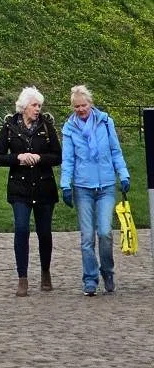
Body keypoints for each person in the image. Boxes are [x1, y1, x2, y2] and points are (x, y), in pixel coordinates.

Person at [60, 84, 130, 296]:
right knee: (87, 237)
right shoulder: (69, 129)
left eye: (84, 105)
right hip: (83, 187)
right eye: (77, 107)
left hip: (106, 185)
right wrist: (65, 184)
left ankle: (107, 271)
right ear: (73, 107)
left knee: (105, 232)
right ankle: (90, 278)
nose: (81, 109)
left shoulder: (106, 122)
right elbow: (68, 160)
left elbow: (115, 151)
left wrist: (124, 174)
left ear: (91, 104)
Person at [0, 85, 61, 295]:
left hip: (44, 186)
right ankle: (22, 277)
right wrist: (18, 158)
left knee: (44, 232)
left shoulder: (47, 127)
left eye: (39, 105)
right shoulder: (9, 127)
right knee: (21, 230)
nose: (37, 109)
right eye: (34, 105)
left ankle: (45, 272)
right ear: (24, 107)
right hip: (20, 187)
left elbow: (58, 156)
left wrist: (40, 158)